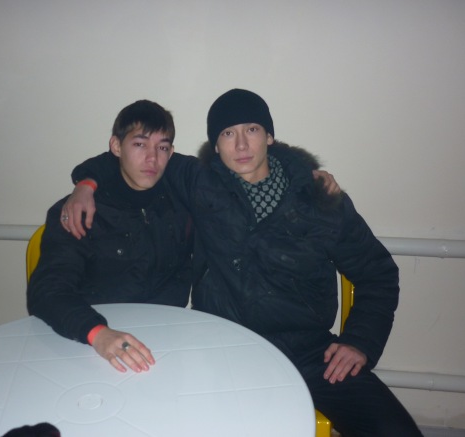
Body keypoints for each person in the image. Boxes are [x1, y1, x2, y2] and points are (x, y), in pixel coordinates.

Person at [62, 89, 423, 437]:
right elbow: (130, 157)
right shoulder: (199, 182)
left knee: (395, 430)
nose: (240, 145)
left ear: (269, 137)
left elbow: (378, 274)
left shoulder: (319, 198)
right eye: (227, 134)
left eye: (251, 130)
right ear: (215, 145)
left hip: (310, 353)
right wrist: (85, 185)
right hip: (224, 351)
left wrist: (359, 341)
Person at [27, 99, 195, 374]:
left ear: (171, 153)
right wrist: (97, 333)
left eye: (162, 147)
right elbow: (47, 291)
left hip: (165, 343)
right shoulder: (80, 212)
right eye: (139, 144)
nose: (152, 159)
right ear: (116, 146)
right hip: (88, 345)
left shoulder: (182, 202)